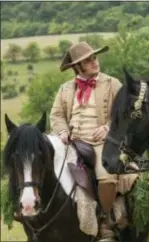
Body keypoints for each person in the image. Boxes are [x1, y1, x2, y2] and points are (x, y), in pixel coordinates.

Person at [50, 41, 136, 241]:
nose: (94, 62)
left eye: (94, 58)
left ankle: (105, 222)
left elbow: (126, 112)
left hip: (101, 143)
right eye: (87, 61)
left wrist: (108, 127)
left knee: (106, 176)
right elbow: (56, 115)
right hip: (71, 143)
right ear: (77, 67)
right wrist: (62, 131)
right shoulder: (65, 89)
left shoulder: (112, 84)